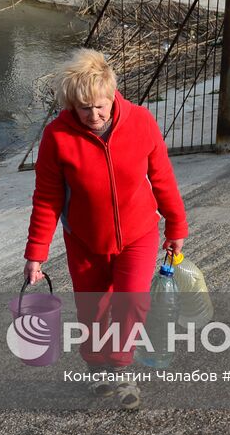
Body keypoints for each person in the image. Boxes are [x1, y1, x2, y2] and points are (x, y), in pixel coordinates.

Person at [22, 49, 188, 410]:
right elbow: (46, 199)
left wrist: (176, 224)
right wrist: (36, 253)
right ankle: (97, 365)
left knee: (132, 301)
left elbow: (161, 178)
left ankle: (122, 370)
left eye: (100, 105)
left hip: (139, 234)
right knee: (93, 311)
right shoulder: (56, 137)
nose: (94, 116)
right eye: (84, 108)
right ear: (71, 104)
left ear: (113, 96)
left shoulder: (142, 122)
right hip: (84, 240)